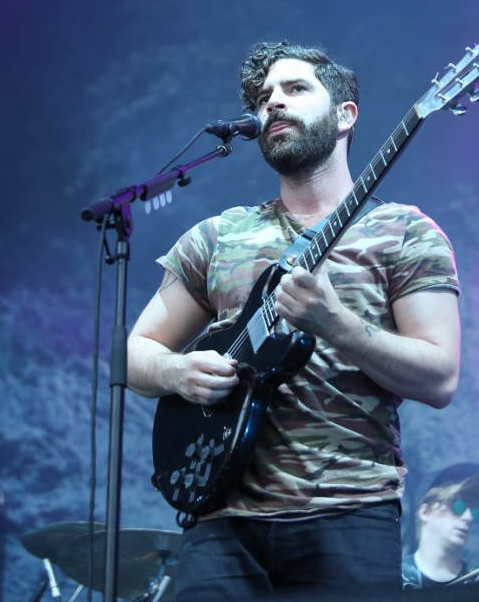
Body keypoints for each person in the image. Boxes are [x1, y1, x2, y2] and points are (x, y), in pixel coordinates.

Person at [127, 41, 461, 599]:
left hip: (351, 516)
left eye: (295, 89)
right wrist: (176, 373)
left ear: (345, 116)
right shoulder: (218, 236)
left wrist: (336, 323)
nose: (273, 104)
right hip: (222, 521)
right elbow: (134, 352)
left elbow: (441, 377)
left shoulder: (407, 232)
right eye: (264, 97)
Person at [402, 463, 479, 590]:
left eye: (475, 511)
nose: (468, 517)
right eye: (458, 505)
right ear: (425, 512)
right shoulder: (392, 577)